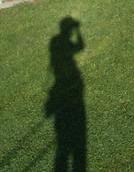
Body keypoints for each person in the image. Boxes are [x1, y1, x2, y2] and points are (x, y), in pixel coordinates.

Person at [45, 17, 87, 171]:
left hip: (61, 83)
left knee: (62, 150)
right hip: (69, 82)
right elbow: (80, 47)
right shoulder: (65, 43)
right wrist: (78, 31)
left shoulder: (56, 41)